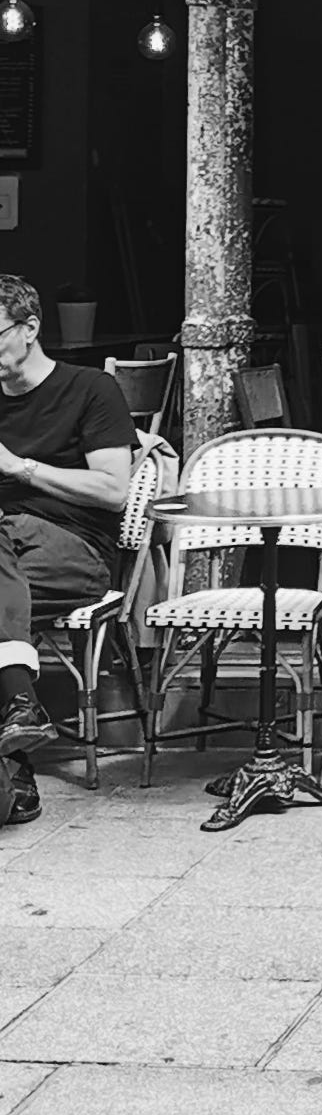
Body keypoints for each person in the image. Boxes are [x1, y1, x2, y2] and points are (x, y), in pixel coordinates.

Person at [0, 275, 136, 830]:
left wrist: (20, 468)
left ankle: (15, 713)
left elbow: (113, 490)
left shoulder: (89, 390)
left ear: (30, 329)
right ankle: (16, 729)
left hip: (75, 548)